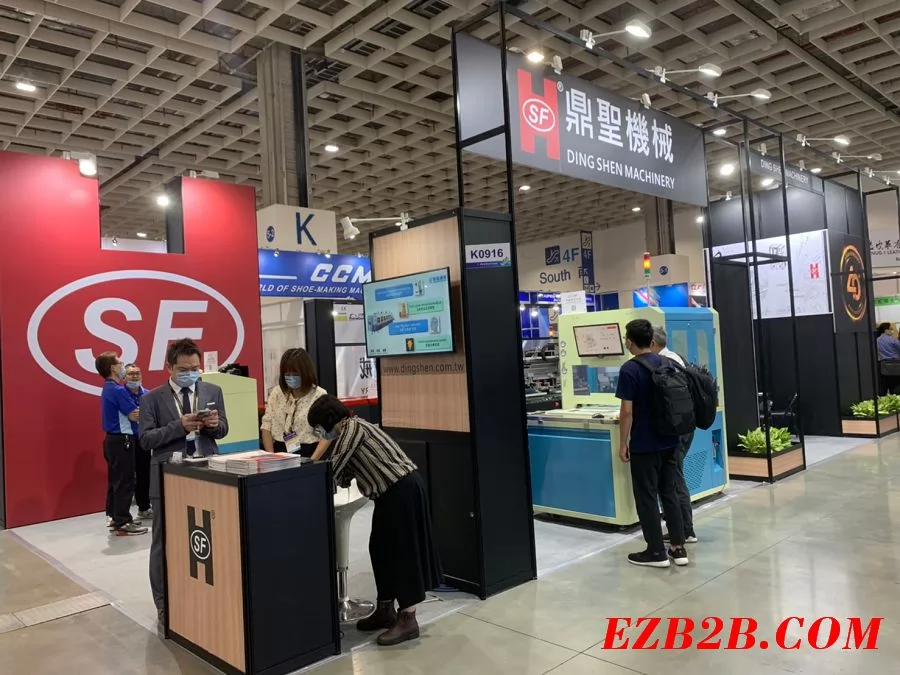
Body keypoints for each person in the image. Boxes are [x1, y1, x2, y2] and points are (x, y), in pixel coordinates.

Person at [308, 396, 442, 646]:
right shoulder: (351, 431)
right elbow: (344, 475)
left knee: (402, 553)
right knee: (380, 550)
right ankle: (385, 609)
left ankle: (408, 618)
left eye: (318, 427)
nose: (320, 434)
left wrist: (308, 480)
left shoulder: (352, 428)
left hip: (400, 489)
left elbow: (336, 467)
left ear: (328, 420)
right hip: (389, 494)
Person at [139, 338, 229, 625]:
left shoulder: (212, 390)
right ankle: (163, 603)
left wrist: (214, 426)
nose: (190, 373)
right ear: (169, 367)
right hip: (168, 476)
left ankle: (205, 595)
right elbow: (145, 439)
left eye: (194, 368)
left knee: (207, 539)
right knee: (163, 542)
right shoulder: (151, 399)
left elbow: (224, 429)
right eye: (183, 369)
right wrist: (179, 426)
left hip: (207, 473)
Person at [616, 319, 688, 568]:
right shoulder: (667, 363)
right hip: (670, 439)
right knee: (669, 492)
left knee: (646, 497)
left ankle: (656, 552)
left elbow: (627, 412)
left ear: (630, 341)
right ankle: (678, 548)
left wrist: (623, 443)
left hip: (644, 444)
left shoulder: (629, 369)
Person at [650, 327, 698, 545]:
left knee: (674, 480)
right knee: (674, 477)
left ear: (653, 343)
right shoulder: (676, 358)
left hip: (677, 431)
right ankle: (681, 527)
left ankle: (685, 530)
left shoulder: (664, 364)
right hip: (686, 426)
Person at [96, 352, 147, 536]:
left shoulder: (108, 388)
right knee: (125, 481)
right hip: (122, 440)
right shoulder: (118, 390)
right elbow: (134, 414)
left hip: (112, 440)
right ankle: (123, 520)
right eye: (120, 363)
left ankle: (114, 516)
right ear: (113, 368)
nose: (122, 365)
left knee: (115, 481)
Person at [261, 348, 328, 457]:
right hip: (279, 451)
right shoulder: (277, 393)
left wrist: (313, 460)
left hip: (308, 452)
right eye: (287, 373)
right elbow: (266, 425)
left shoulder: (319, 396)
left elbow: (327, 433)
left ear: (305, 372)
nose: (291, 376)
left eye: (295, 373)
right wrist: (271, 457)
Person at [124, 363, 152, 520]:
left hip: (143, 439)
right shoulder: (120, 394)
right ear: (124, 377)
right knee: (126, 476)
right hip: (125, 440)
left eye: (137, 373)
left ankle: (144, 507)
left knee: (144, 474)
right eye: (131, 374)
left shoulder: (148, 395)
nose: (134, 376)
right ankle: (120, 514)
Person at [876, 322, 900, 394]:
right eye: (891, 329)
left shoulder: (877, 340)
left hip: (882, 366)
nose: (892, 331)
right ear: (886, 330)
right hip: (895, 366)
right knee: (895, 388)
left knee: (883, 388)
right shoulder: (893, 340)